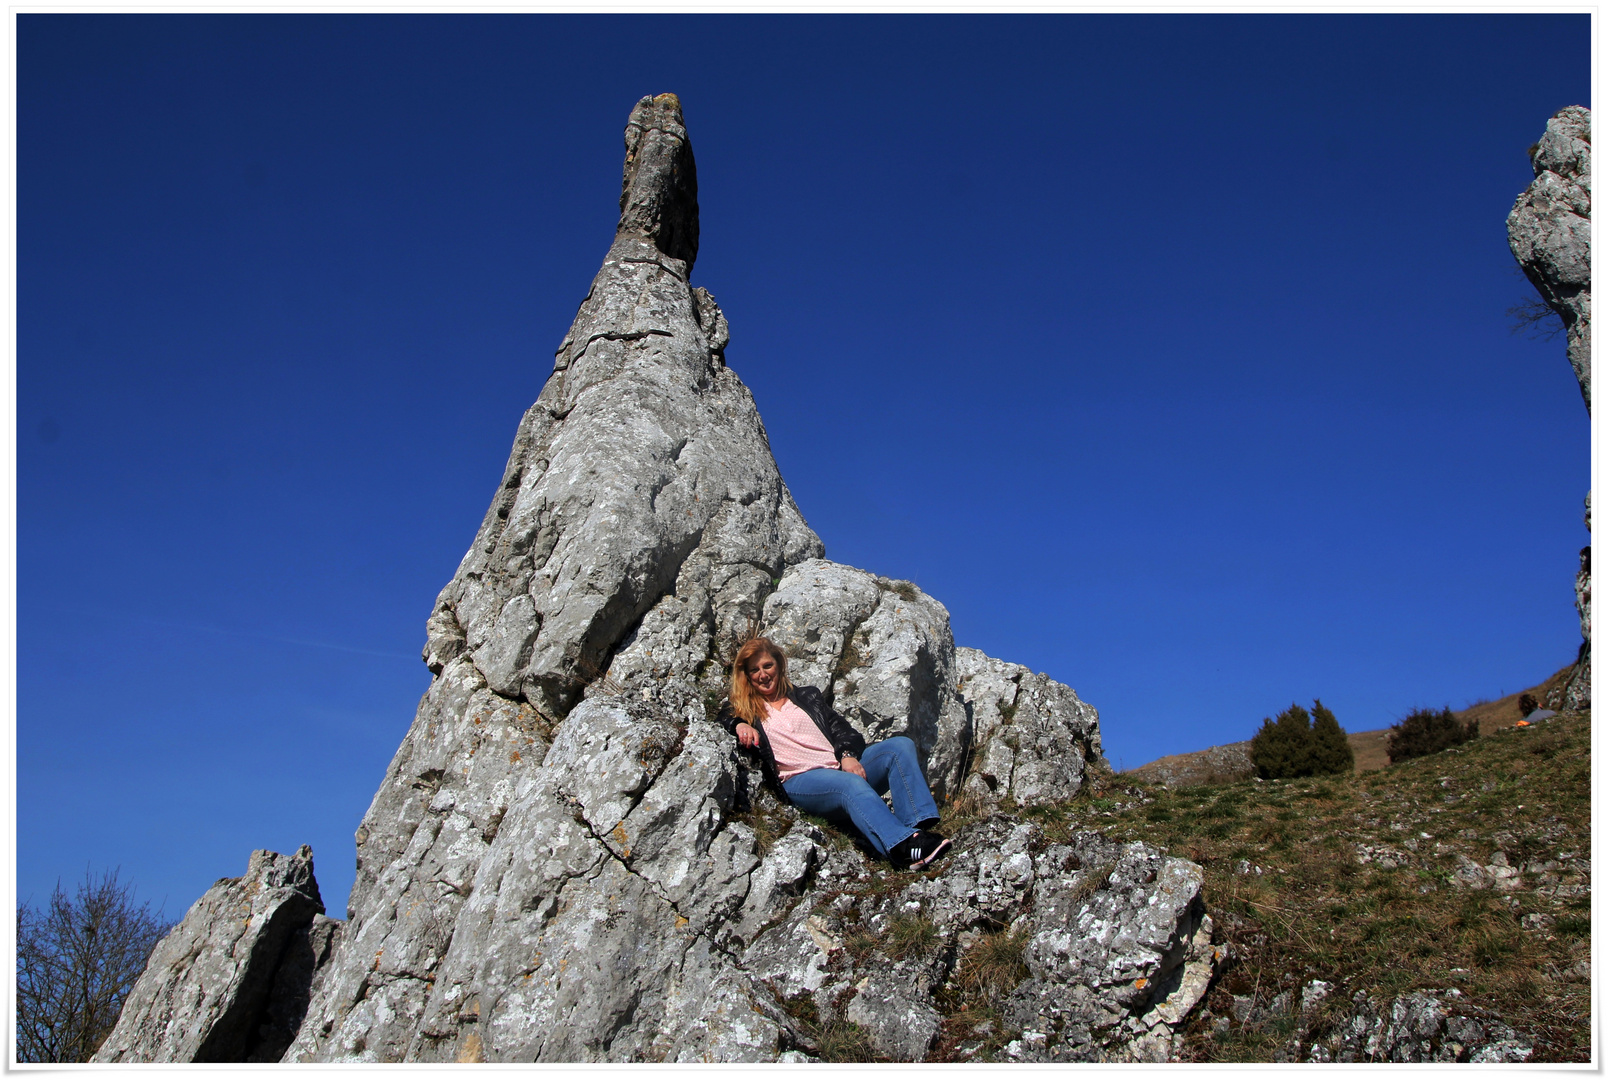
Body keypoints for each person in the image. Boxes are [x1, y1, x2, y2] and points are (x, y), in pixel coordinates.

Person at [717, 636, 952, 869]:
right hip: (800, 780)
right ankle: (901, 848)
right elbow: (723, 718)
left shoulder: (807, 697)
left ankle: (916, 830)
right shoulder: (743, 708)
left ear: (778, 665)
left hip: (837, 766)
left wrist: (847, 754)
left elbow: (844, 731)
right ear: (747, 676)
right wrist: (739, 724)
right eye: (754, 670)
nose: (763, 674)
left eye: (767, 666)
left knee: (899, 747)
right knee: (848, 784)